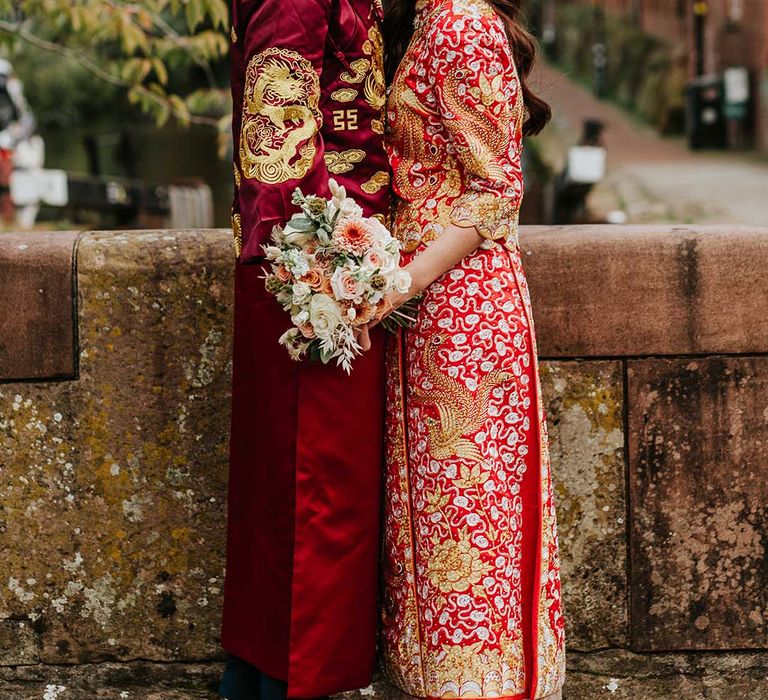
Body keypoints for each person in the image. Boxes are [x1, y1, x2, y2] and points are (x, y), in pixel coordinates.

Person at [376, 1, 566, 698]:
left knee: (466, 512)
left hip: (463, 312)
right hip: (425, 305)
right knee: (432, 519)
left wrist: (404, 279)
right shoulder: (421, 19)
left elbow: (497, 188)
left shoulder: (461, 19)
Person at [220, 1, 389, 699]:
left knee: (297, 492)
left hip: (318, 260)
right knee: (313, 492)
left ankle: (263, 679)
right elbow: (276, 144)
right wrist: (333, 279)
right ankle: (293, 684)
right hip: (311, 268)